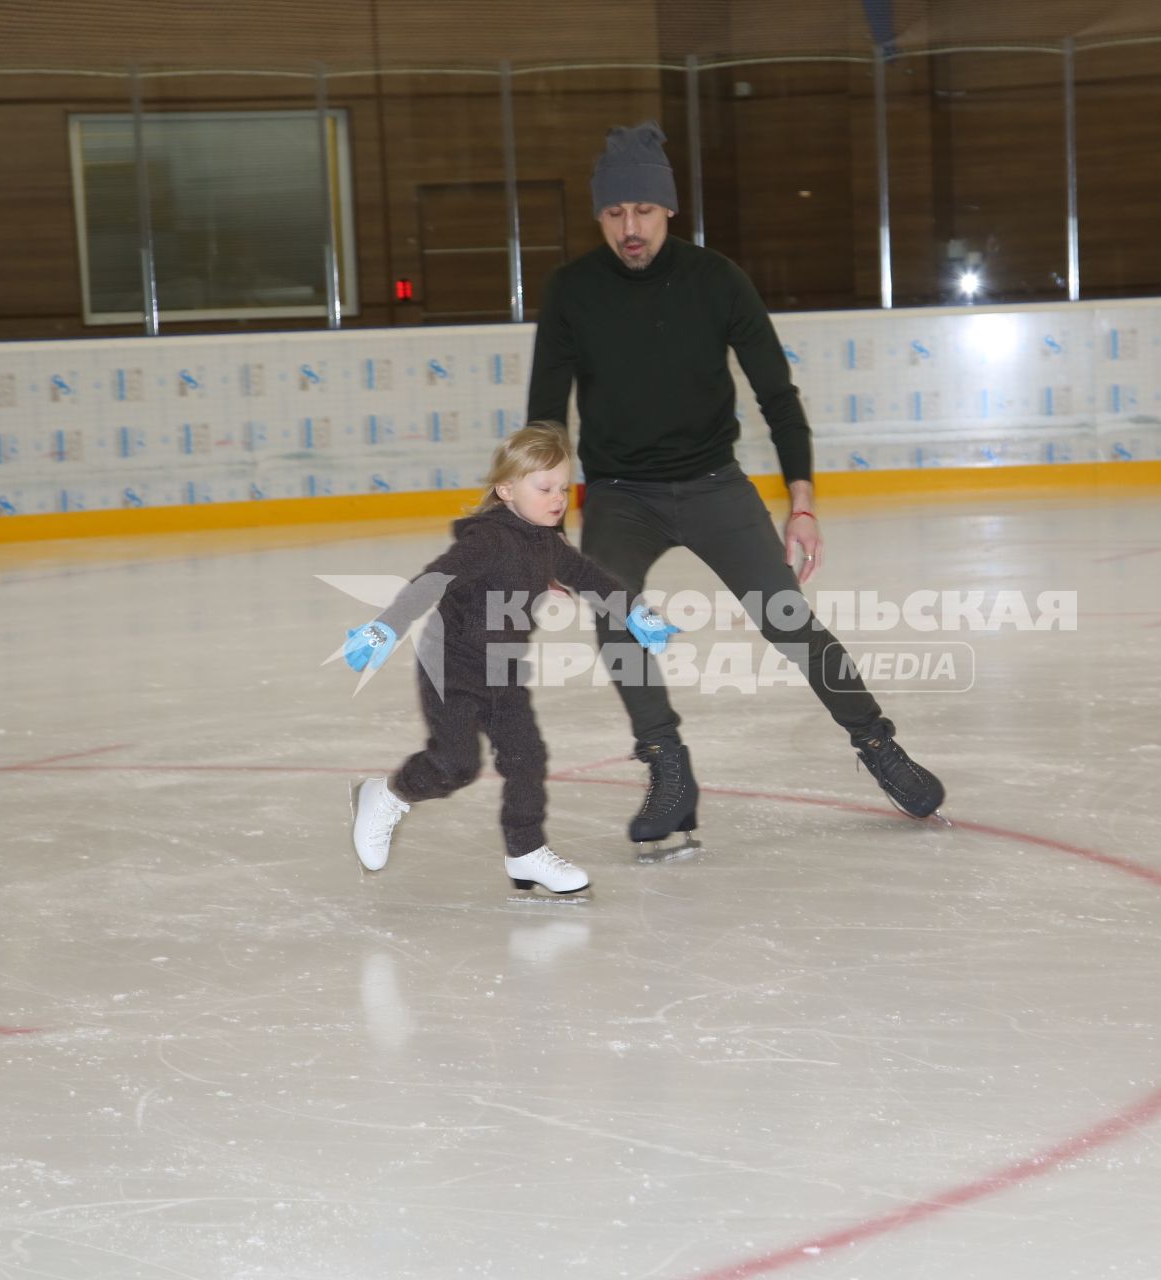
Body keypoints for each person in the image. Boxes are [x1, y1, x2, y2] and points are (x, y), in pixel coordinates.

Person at [525, 121, 946, 850]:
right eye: (615, 213)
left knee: (787, 619)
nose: (631, 229)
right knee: (613, 613)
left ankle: (878, 746)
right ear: (599, 216)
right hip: (623, 496)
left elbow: (777, 397)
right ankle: (668, 766)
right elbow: (544, 415)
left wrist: (803, 505)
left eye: (645, 212)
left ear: (670, 211)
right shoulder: (573, 293)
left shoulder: (716, 281)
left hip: (714, 484)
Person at [340, 422, 677, 898]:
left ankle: (526, 851)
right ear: (506, 489)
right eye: (544, 488)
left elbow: (591, 577)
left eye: (564, 487)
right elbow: (433, 581)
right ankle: (389, 793)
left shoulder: (546, 543)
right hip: (451, 665)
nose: (558, 498)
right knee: (455, 764)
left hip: (502, 666)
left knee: (526, 758)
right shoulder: (489, 541)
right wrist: (386, 626)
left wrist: (634, 610)